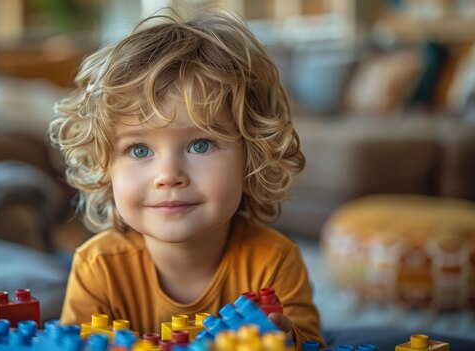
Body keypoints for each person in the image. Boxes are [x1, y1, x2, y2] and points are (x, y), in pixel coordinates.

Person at [48, 7, 324, 349]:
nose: (168, 176)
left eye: (201, 144)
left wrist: (288, 339)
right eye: (139, 151)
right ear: (105, 167)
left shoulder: (274, 261)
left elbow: (311, 341)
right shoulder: (97, 266)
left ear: (252, 156)